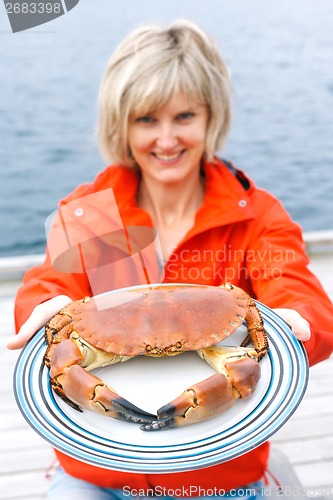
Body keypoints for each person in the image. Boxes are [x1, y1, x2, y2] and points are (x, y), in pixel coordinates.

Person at [7, 19, 333, 499]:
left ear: (212, 117)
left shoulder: (254, 216)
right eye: (146, 119)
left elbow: (298, 291)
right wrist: (43, 307)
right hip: (97, 471)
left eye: (184, 117)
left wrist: (296, 322)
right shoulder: (95, 212)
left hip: (220, 477)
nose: (166, 139)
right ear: (120, 124)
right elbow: (50, 285)